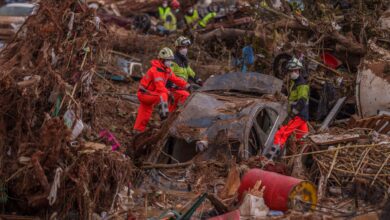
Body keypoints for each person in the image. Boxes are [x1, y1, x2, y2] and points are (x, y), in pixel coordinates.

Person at [133, 48, 189, 133]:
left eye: (171, 60)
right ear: (161, 60)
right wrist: (169, 93)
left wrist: (187, 85)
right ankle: (165, 119)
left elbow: (176, 79)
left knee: (144, 113)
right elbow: (160, 88)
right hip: (145, 94)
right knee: (163, 95)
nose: (170, 62)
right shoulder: (156, 70)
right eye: (168, 60)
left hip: (151, 94)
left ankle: (138, 131)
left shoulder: (166, 69)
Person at [265, 57, 309, 160]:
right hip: (302, 116)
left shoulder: (302, 85)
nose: (291, 73)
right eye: (290, 71)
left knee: (281, 133)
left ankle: (271, 158)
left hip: (298, 115)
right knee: (303, 138)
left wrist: (292, 114)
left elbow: (302, 101)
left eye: (293, 71)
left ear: (298, 70)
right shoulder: (295, 83)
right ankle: (306, 158)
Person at [167, 36, 202, 112]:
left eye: (186, 47)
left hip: (183, 87)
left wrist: (198, 79)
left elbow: (190, 72)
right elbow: (168, 75)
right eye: (183, 47)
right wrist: (174, 85)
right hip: (174, 88)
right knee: (187, 97)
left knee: (172, 110)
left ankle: (170, 120)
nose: (185, 49)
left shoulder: (184, 61)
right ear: (177, 48)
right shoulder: (173, 60)